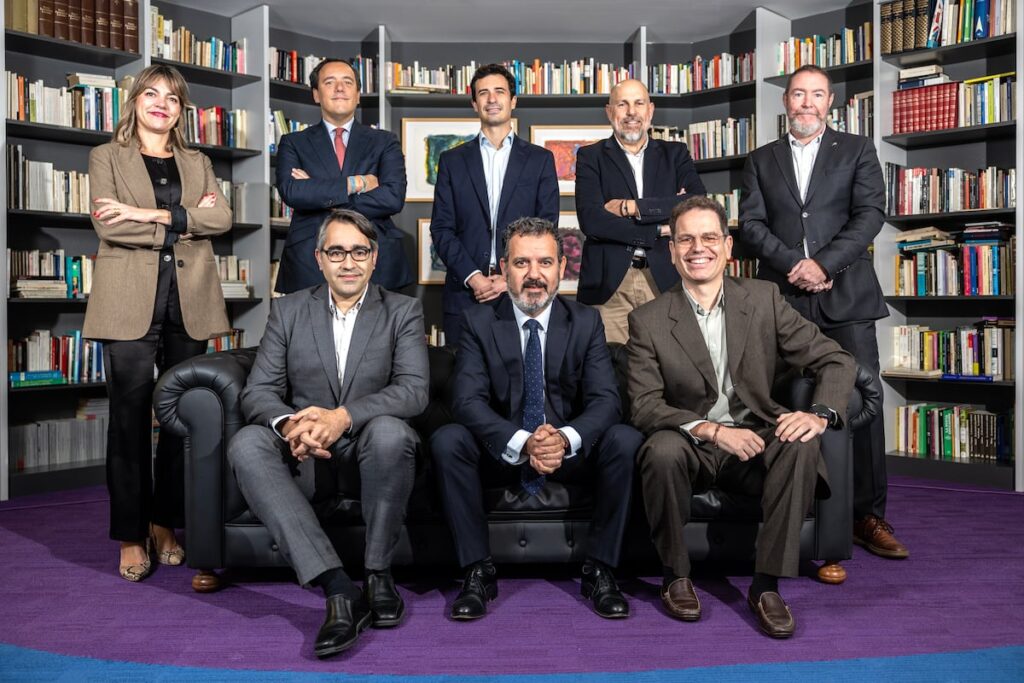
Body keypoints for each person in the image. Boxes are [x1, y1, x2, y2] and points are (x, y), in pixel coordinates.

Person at [627, 196, 855, 638]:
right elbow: (644, 404)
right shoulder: (648, 320)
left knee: (799, 442)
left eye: (709, 237)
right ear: (671, 251)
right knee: (661, 450)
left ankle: (766, 585)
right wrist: (712, 431)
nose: (698, 248)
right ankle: (675, 576)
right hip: (691, 444)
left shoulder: (764, 299)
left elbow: (836, 359)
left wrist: (820, 415)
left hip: (755, 441)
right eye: (685, 239)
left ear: (728, 246)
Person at [227, 209, 428, 658]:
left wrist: (342, 417)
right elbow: (259, 391)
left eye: (359, 251)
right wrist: (292, 426)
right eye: (337, 252)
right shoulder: (289, 310)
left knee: (392, 432)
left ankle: (378, 575)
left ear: (374, 258)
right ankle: (338, 587)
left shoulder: (402, 311)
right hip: (306, 456)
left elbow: (413, 391)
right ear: (319, 259)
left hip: (371, 453)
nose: (348, 262)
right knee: (247, 443)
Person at [431, 217, 642, 621]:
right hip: (503, 454)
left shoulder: (585, 321)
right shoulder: (478, 322)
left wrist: (561, 440)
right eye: (521, 263)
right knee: (448, 439)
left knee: (624, 439)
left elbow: (605, 401)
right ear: (504, 268)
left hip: (569, 455)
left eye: (545, 262)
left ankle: (600, 569)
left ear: (562, 268)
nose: (534, 275)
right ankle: (477, 571)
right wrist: (524, 442)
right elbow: (467, 401)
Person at [737, 65, 905, 559]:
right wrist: (797, 266)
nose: (806, 103)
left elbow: (870, 214)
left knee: (862, 403)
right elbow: (751, 224)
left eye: (816, 94)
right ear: (785, 101)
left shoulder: (857, 149)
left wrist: (824, 264)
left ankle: (865, 516)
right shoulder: (761, 159)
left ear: (830, 103)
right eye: (797, 94)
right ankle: (797, 506)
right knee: (781, 400)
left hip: (846, 297)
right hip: (783, 299)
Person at [85, 64, 232, 582]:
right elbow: (108, 225)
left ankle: (164, 523)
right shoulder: (107, 156)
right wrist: (187, 220)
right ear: (135, 101)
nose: (160, 104)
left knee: (182, 418)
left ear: (180, 110)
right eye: (151, 94)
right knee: (129, 421)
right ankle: (131, 534)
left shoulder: (197, 160)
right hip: (127, 302)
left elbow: (222, 219)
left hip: (189, 301)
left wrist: (148, 214)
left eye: (171, 98)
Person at [430, 63, 559, 345]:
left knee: (519, 370)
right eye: (483, 93)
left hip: (521, 291)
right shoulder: (452, 161)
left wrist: (508, 278)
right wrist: (474, 276)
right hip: (465, 293)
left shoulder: (540, 160)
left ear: (513, 101)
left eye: (499, 91)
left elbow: (546, 229)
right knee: (463, 371)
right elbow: (441, 229)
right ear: (474, 104)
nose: (491, 99)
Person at [574, 78, 706, 344]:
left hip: (665, 279)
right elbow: (592, 220)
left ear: (650, 110)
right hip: (610, 286)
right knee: (610, 364)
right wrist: (658, 229)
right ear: (609, 111)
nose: (631, 112)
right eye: (622, 104)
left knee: (668, 362)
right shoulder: (590, 156)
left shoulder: (675, 154)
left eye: (639, 103)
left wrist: (631, 207)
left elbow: (696, 202)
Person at [274, 58, 411, 294]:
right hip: (309, 259)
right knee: (310, 320)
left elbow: (392, 197)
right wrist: (356, 183)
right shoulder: (293, 142)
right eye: (329, 82)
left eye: (347, 82)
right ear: (316, 94)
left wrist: (317, 190)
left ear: (357, 95)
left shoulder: (385, 141)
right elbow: (293, 192)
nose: (339, 88)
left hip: (376, 255)